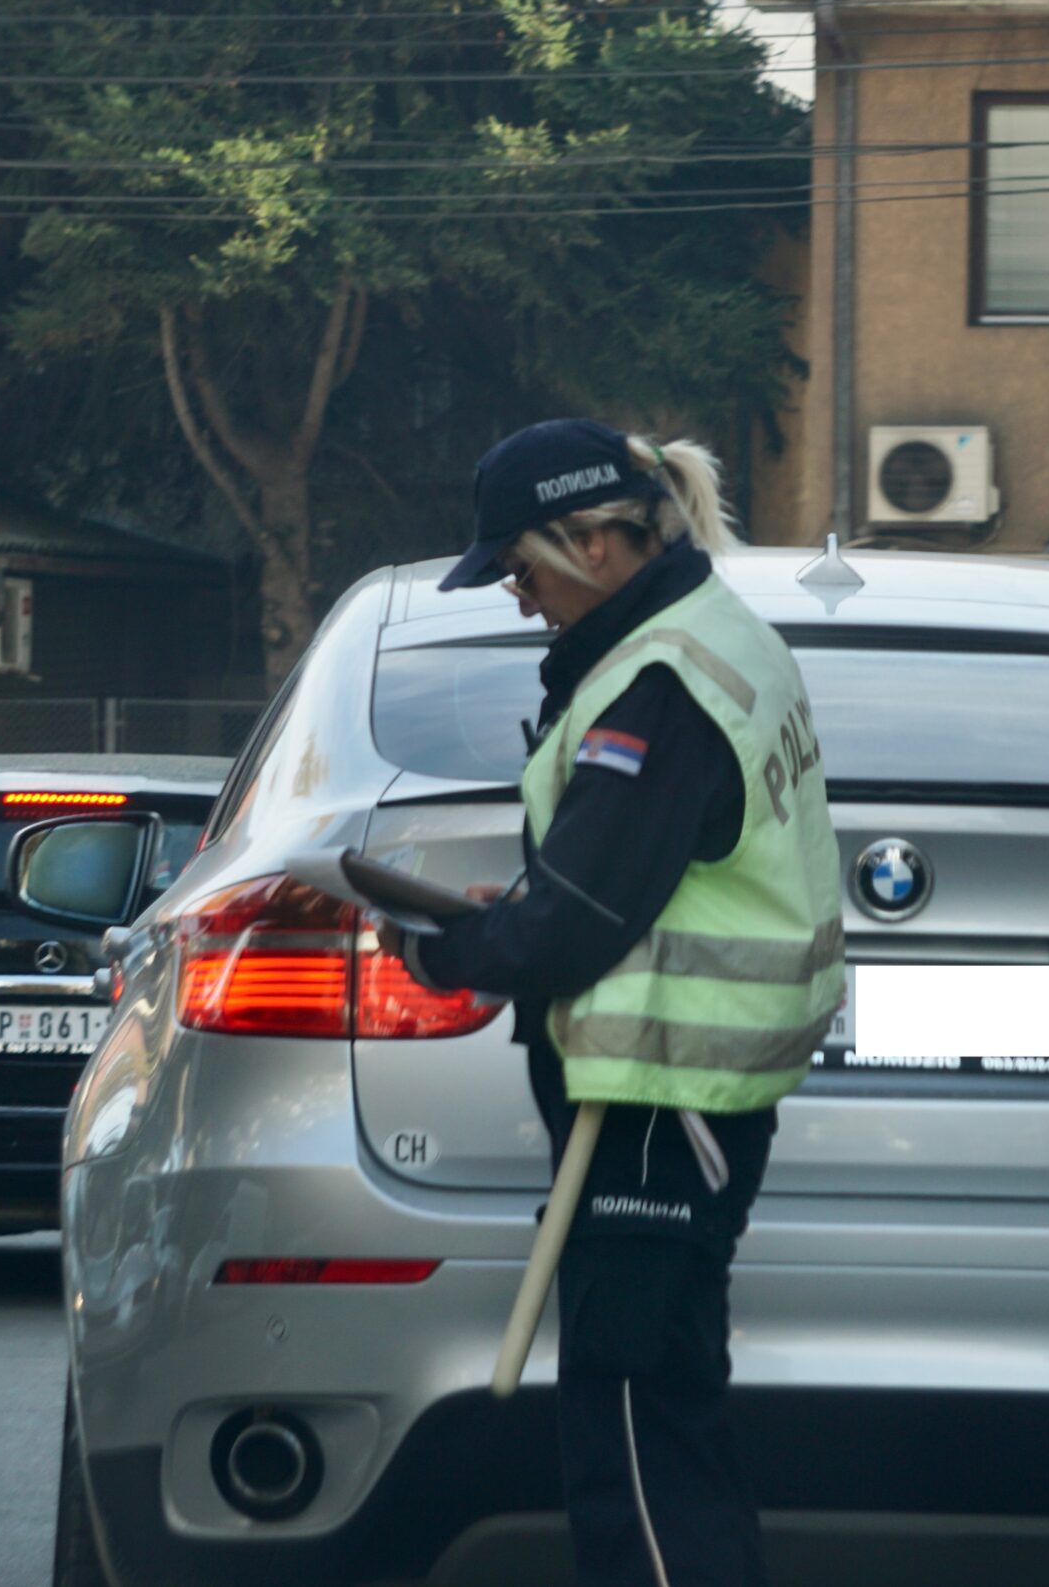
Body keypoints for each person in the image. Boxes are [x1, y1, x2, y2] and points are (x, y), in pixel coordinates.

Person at [391, 418, 845, 1587]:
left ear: (591, 542)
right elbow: (630, 880)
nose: (520, 598)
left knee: (634, 1444)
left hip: (652, 1096)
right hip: (683, 1096)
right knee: (673, 1424)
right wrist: (529, 906)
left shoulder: (659, 685)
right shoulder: (714, 639)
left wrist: (442, 945)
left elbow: (576, 925)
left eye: (520, 569)